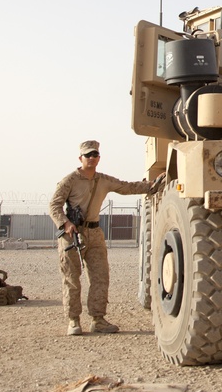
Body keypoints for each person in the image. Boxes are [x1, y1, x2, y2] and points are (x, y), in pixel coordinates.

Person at [49, 140, 162, 336]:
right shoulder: (69, 181)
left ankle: (98, 319)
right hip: (71, 236)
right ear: (80, 158)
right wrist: (65, 223)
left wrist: (152, 185)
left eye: (94, 155)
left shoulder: (102, 180)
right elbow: (54, 205)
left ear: (99, 158)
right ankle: (73, 321)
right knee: (72, 279)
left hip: (94, 234)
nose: (91, 158)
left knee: (100, 278)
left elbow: (126, 187)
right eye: (87, 155)